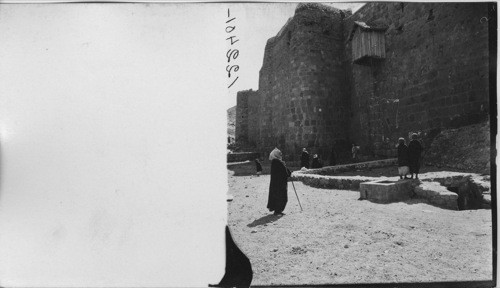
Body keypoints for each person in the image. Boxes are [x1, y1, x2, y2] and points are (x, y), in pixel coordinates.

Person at [267, 148, 291, 216]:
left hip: (276, 183)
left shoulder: (275, 162)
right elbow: (285, 172)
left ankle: (278, 210)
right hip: (280, 184)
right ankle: (278, 211)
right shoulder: (278, 162)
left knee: (277, 196)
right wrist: (289, 173)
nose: (281, 154)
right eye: (279, 154)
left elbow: (284, 170)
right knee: (281, 197)